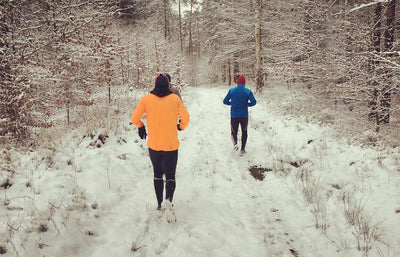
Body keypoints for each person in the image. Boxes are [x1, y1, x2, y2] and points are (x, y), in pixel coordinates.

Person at [131, 74, 190, 220]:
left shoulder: (146, 99)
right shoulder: (175, 99)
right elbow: (186, 118)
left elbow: (134, 118)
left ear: (155, 84)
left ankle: (159, 204)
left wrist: (140, 126)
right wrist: (180, 126)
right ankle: (168, 201)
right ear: (168, 84)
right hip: (171, 145)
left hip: (154, 146)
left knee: (157, 174)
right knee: (170, 175)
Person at [223, 75, 256, 155]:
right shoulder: (248, 91)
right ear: (244, 83)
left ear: (237, 82)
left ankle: (235, 144)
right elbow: (253, 102)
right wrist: (246, 104)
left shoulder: (231, 90)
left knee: (233, 131)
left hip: (234, 115)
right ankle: (242, 149)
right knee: (244, 132)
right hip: (244, 116)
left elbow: (225, 101)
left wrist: (232, 103)